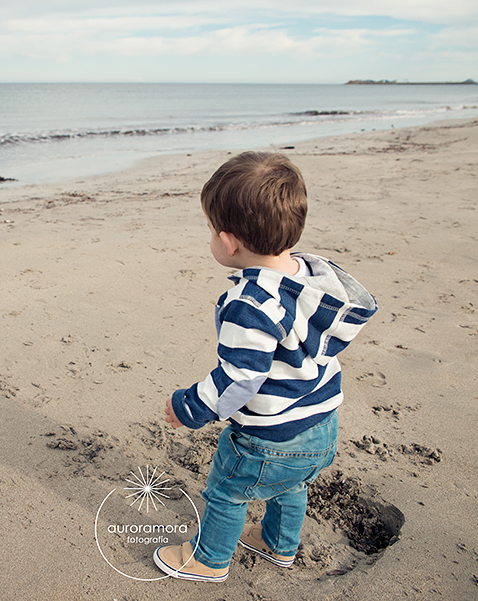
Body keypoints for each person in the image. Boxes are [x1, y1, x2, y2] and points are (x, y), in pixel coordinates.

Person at [154, 152, 377, 582]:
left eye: (210, 232)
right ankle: (279, 546)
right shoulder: (311, 279)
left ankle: (210, 559)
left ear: (230, 242)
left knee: (226, 490)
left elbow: (240, 377)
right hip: (321, 427)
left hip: (268, 439)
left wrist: (188, 407)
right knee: (292, 486)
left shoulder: (250, 305)